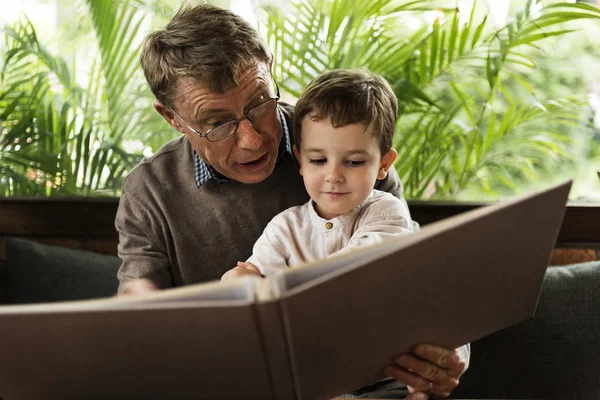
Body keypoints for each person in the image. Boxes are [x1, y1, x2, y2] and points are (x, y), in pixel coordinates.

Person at [116, 4, 469, 399]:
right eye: (217, 123)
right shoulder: (150, 192)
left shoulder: (347, 148)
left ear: (270, 66)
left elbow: (418, 280)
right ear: (172, 118)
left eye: (259, 103)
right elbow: (139, 303)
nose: (251, 139)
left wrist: (451, 351)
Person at [221, 69, 417, 281]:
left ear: (383, 164)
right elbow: (257, 291)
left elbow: (355, 272)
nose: (333, 176)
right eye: (318, 160)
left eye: (354, 162)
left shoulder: (387, 213)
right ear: (301, 161)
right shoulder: (284, 229)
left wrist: (276, 282)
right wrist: (239, 281)